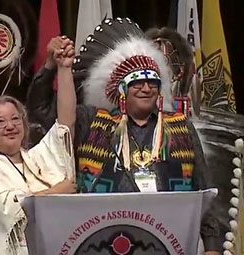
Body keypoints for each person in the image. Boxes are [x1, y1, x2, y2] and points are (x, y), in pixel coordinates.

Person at [72, 18, 220, 254]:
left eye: (152, 82)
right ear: (121, 90)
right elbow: (46, 113)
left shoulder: (179, 127)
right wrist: (56, 68)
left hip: (168, 238)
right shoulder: (94, 123)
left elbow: (203, 189)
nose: (146, 88)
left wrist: (212, 246)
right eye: (137, 83)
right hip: (104, 238)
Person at [0, 38, 76, 255]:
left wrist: (64, 68)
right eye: (0, 122)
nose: (10, 126)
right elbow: (9, 209)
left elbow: (65, 126)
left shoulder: (37, 159)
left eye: (15, 119)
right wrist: (57, 192)